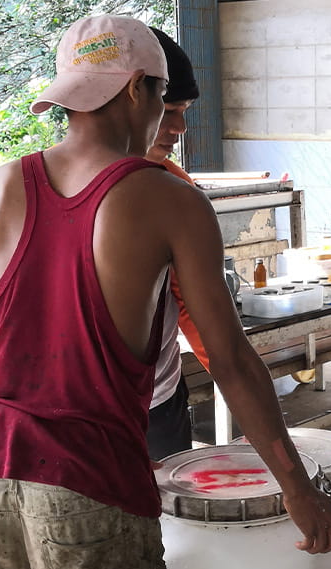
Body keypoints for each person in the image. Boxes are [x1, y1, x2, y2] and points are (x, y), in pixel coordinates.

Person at [0, 14, 331, 569]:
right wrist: (296, 488)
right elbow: (232, 360)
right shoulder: (167, 199)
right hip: (89, 482)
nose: (166, 119)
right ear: (136, 90)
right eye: (164, 98)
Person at [143, 26, 208, 461]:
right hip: (78, 416)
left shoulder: (174, 188)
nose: (180, 128)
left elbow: (192, 306)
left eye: (183, 110)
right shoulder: (23, 191)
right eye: (168, 110)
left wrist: (228, 370)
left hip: (157, 403)